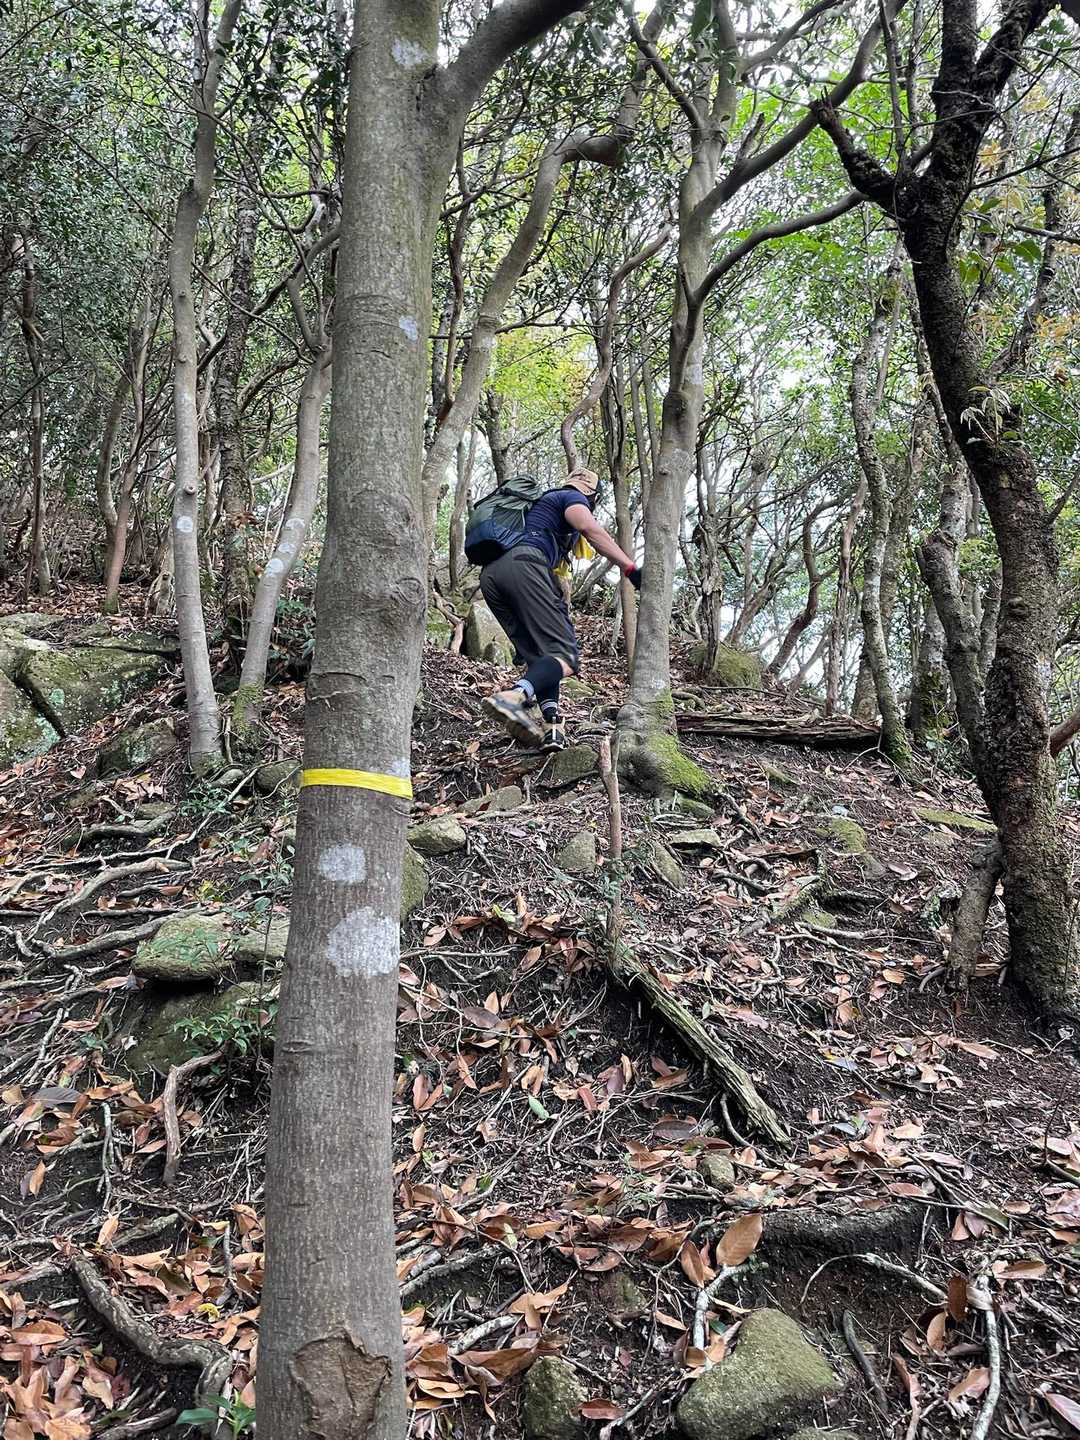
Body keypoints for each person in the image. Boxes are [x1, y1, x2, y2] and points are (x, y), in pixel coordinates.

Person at [479, 468, 641, 751]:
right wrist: (629, 568)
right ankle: (514, 697)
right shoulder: (570, 498)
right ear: (592, 495)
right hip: (523, 566)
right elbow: (590, 529)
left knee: (542, 657)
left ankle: (551, 726)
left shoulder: (538, 506)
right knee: (565, 656)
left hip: (491, 576)